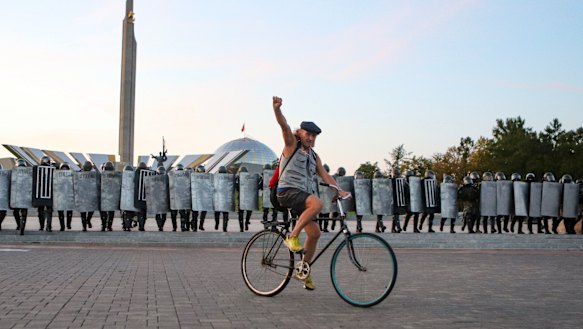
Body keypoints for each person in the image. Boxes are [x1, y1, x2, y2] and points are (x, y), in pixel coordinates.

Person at [273, 96, 350, 291]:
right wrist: (277, 109)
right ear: (300, 132)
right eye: (308, 134)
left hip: (302, 198)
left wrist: (339, 190)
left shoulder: (314, 156)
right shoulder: (292, 144)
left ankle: (303, 270)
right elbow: (284, 126)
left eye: (314, 136)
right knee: (317, 204)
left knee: (315, 233)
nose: (311, 138)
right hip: (287, 191)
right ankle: (292, 236)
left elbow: (325, 176)